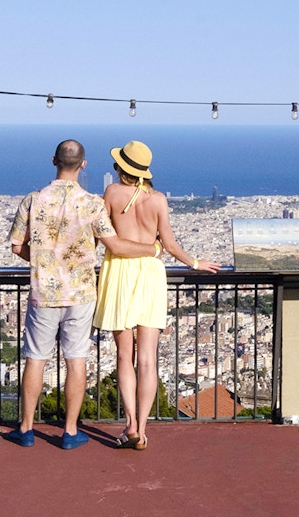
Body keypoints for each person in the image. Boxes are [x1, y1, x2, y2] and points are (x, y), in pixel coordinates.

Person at [6, 139, 159, 450]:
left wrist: (45, 261)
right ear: (84, 165)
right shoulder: (92, 204)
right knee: (76, 361)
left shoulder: (33, 200)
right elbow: (114, 245)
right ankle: (70, 431)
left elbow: (16, 246)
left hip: (44, 292)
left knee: (36, 359)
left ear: (53, 161)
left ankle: (26, 429)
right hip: (81, 293)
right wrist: (154, 249)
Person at [94, 140, 220, 451]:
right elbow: (171, 244)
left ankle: (130, 424)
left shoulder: (110, 194)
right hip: (151, 273)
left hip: (120, 271)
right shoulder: (159, 200)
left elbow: (100, 237)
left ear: (122, 168)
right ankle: (144, 428)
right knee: (148, 358)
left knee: (125, 355)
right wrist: (195, 263)